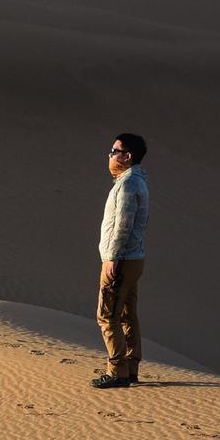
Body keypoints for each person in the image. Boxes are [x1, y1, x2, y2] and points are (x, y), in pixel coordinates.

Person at [93, 133, 149, 388]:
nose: (110, 156)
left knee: (108, 316)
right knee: (127, 314)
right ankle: (131, 367)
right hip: (133, 259)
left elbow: (122, 225)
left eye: (114, 151)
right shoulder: (135, 181)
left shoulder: (127, 185)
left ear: (127, 156)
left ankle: (118, 372)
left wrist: (112, 257)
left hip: (121, 259)